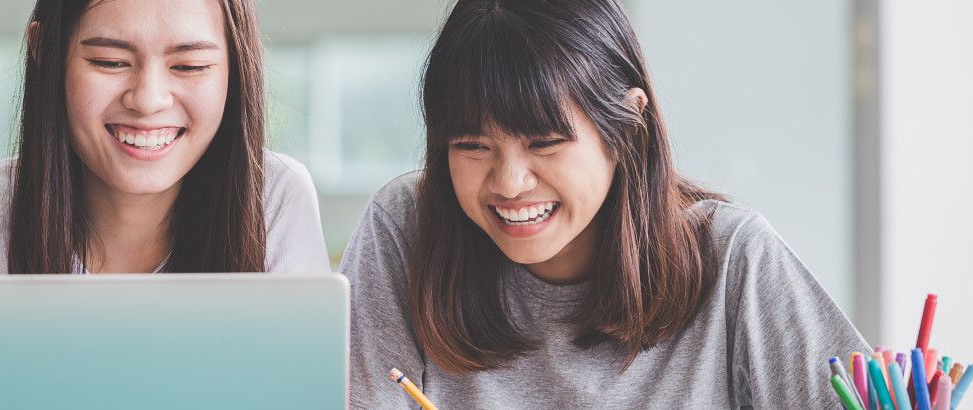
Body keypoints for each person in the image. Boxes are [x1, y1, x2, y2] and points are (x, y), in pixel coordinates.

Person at [341, 0, 868, 407]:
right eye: (472, 146)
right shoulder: (407, 228)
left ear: (628, 126)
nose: (508, 182)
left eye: (543, 142)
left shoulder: (732, 257)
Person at [0, 0, 328, 276]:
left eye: (189, 66)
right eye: (110, 62)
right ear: (44, 51)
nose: (148, 100)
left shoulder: (274, 198)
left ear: (235, 67)